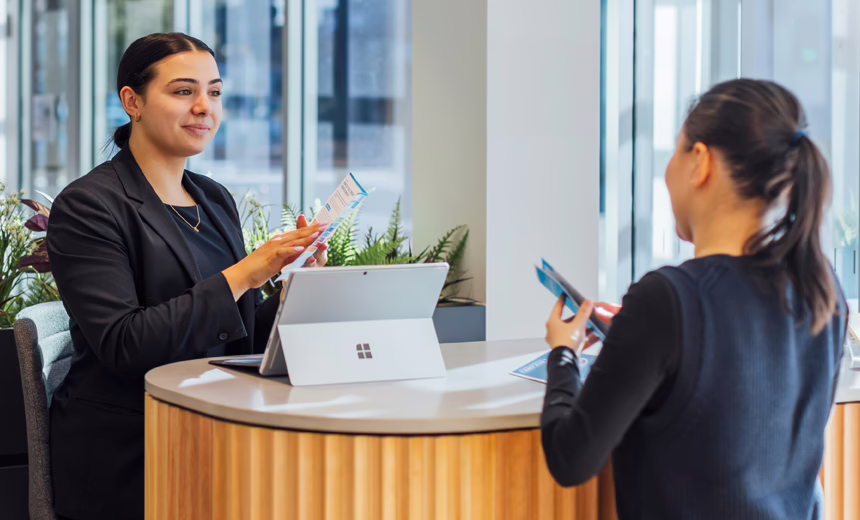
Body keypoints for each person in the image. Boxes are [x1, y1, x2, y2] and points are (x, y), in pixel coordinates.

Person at [46, 33, 325, 520]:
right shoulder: (89, 205)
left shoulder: (214, 200)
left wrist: (292, 285)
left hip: (218, 425)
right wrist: (243, 274)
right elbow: (124, 344)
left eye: (214, 92)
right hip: (134, 446)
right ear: (132, 101)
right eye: (183, 91)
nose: (204, 107)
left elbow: (238, 339)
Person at [541, 79, 846, 519]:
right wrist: (637, 337)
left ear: (700, 161)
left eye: (675, 150)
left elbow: (571, 458)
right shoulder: (823, 292)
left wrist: (563, 354)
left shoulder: (667, 301)